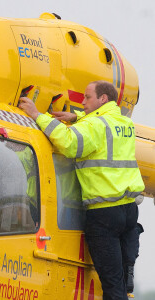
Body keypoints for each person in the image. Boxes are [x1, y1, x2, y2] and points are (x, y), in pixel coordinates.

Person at [19, 80, 145, 300]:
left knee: (112, 286)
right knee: (123, 283)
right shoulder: (124, 123)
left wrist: (37, 115)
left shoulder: (95, 125)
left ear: (102, 99)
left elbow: (69, 144)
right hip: (128, 211)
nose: (82, 101)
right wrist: (77, 118)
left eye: (87, 97)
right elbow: (100, 127)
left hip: (104, 214)